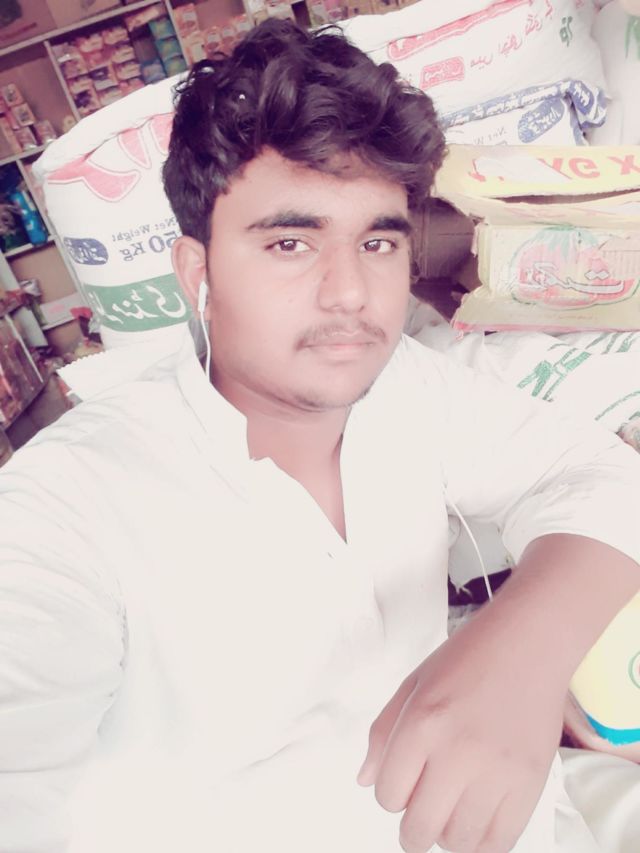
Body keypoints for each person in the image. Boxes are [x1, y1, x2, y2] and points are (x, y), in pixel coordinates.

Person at [1, 18, 640, 853]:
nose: (350, 292)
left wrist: (525, 648)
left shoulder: (404, 387)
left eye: (376, 241)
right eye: (290, 242)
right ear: (197, 273)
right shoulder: (63, 507)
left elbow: (595, 472)